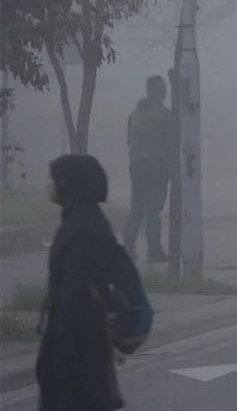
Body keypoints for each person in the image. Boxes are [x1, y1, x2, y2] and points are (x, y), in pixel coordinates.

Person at [37, 155, 126, 411]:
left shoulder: (81, 231)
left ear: (68, 183)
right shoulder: (86, 222)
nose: (47, 184)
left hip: (77, 355)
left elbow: (73, 299)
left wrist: (57, 359)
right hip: (86, 351)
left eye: (52, 178)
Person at [124, 75, 172, 263]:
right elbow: (172, 142)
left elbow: (129, 141)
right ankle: (154, 251)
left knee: (137, 207)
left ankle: (128, 247)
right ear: (163, 92)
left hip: (136, 165)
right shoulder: (164, 115)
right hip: (157, 166)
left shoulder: (134, 114)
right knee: (153, 210)